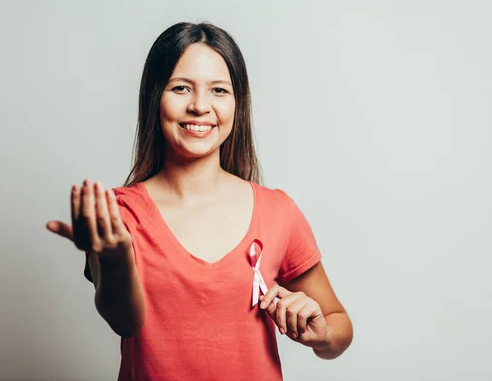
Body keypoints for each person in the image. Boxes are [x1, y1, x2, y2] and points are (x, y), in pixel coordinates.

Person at [46, 21, 353, 380]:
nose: (199, 106)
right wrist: (113, 259)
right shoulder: (121, 214)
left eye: (219, 90)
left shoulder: (277, 211)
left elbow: (338, 326)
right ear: (154, 97)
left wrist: (323, 334)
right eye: (180, 88)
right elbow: (123, 320)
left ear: (238, 103)